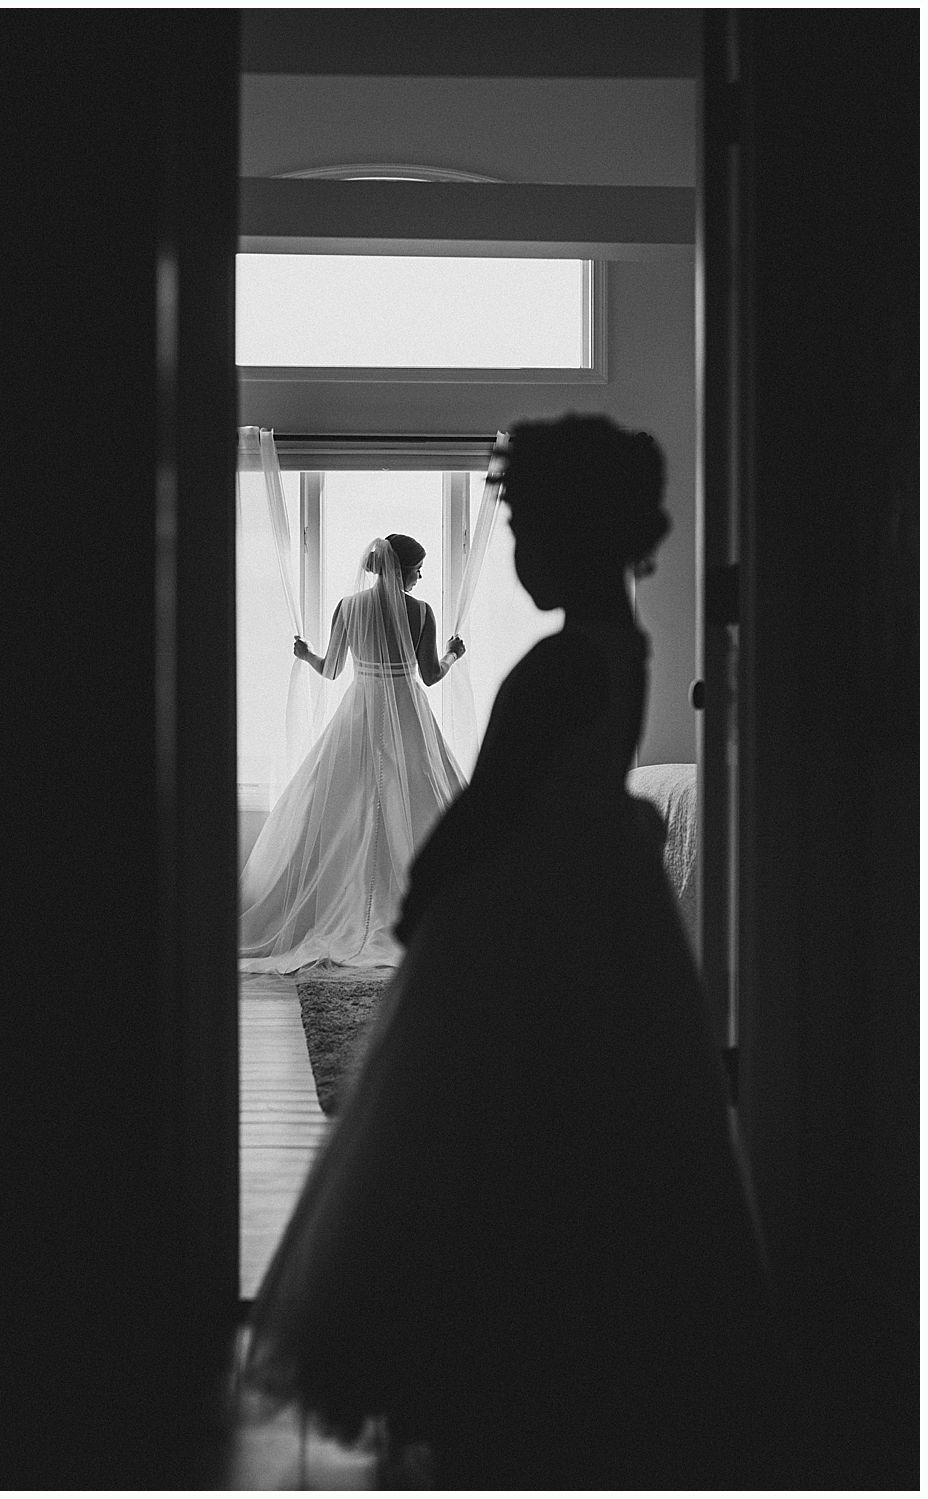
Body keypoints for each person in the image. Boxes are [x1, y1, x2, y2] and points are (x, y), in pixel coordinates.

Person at [243, 417, 789, 1487]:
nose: (518, 552)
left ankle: (489, 1338)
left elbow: (487, 804)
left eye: (527, 529)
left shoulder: (561, 660)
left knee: (481, 1108)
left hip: (526, 906)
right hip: (597, 901)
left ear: (578, 532)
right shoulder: (621, 644)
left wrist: (423, 897)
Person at [239, 533, 466, 972]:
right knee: (418, 795)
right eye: (419, 568)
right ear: (403, 569)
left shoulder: (348, 607)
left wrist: (306, 655)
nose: (421, 577)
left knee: (344, 800)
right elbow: (431, 675)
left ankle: (341, 900)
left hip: (359, 708)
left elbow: (331, 670)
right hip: (406, 709)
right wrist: (454, 655)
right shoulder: (421, 612)